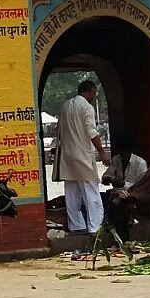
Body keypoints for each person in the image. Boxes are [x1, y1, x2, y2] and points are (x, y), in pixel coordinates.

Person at [52, 80, 110, 234]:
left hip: (67, 155)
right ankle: (95, 226)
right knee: (91, 192)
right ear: (90, 92)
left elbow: (58, 129)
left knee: (72, 193)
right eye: (94, 93)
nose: (95, 96)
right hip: (82, 155)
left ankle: (76, 225)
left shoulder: (65, 106)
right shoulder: (86, 107)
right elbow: (91, 132)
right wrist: (102, 152)